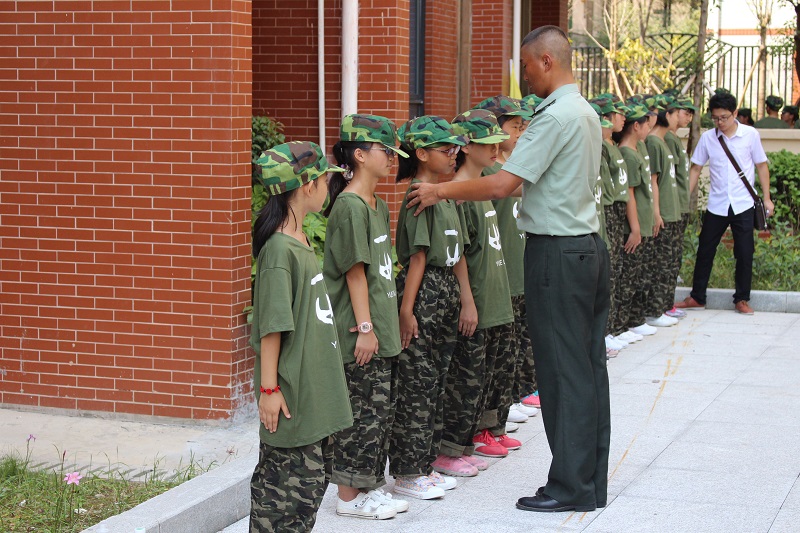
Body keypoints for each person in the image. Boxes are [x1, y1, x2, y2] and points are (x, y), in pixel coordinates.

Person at [407, 25, 610, 513]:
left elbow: (503, 184)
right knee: (587, 369)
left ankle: (570, 488)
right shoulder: (584, 111)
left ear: (546, 61)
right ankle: (589, 482)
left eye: (526, 66)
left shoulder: (553, 116)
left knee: (561, 373)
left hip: (558, 253)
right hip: (587, 249)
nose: (523, 78)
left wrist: (439, 191)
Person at [249, 141, 353, 532]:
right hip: (291, 397)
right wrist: (269, 390)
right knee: (282, 504)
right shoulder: (279, 251)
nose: (329, 187)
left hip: (313, 395)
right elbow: (273, 327)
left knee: (307, 495)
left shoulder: (300, 241)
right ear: (308, 185)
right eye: (325, 180)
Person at [324, 114, 408, 520]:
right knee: (361, 416)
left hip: (381, 327)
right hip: (362, 330)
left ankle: (369, 488)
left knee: (378, 416)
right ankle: (348, 498)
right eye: (384, 150)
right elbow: (354, 273)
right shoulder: (350, 206)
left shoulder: (377, 203)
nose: (391, 158)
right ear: (359, 155)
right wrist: (366, 328)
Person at [389, 115, 471, 499]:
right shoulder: (419, 194)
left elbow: (458, 253)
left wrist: (464, 298)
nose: (454, 154)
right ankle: (408, 472)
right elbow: (417, 257)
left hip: (445, 287)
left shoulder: (444, 193)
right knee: (417, 384)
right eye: (445, 148)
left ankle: (425, 464)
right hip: (423, 291)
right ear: (421, 153)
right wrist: (407, 311)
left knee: (436, 381)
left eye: (455, 148)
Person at [435, 109, 518, 470]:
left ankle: (474, 440)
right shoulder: (460, 195)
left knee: (487, 376)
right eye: (488, 145)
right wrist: (468, 300)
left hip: (496, 296)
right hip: (478, 300)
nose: (496, 151)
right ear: (466, 147)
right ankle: (450, 450)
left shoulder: (484, 187)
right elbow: (459, 256)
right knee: (465, 380)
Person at [473, 96, 540, 427]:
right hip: (500, 272)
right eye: (515, 127)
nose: (521, 133)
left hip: (518, 264)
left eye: (523, 127)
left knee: (518, 341)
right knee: (502, 346)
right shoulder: (489, 173)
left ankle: (516, 395)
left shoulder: (513, 168)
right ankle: (504, 403)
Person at [675, 91, 773, 315]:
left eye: (724, 118)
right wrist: (684, 199)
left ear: (735, 113)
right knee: (705, 249)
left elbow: (761, 165)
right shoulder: (708, 138)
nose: (719, 122)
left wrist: (767, 198)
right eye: (715, 118)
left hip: (743, 203)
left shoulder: (750, 135)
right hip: (717, 204)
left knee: (745, 252)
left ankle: (742, 299)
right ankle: (697, 297)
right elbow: (696, 168)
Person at [643, 96, 681, 328]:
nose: (679, 118)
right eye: (676, 113)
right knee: (660, 263)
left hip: (671, 210)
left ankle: (663, 307)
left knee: (668, 262)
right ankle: (654, 310)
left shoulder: (663, 141)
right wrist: (656, 213)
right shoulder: (654, 143)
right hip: (663, 212)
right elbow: (653, 180)